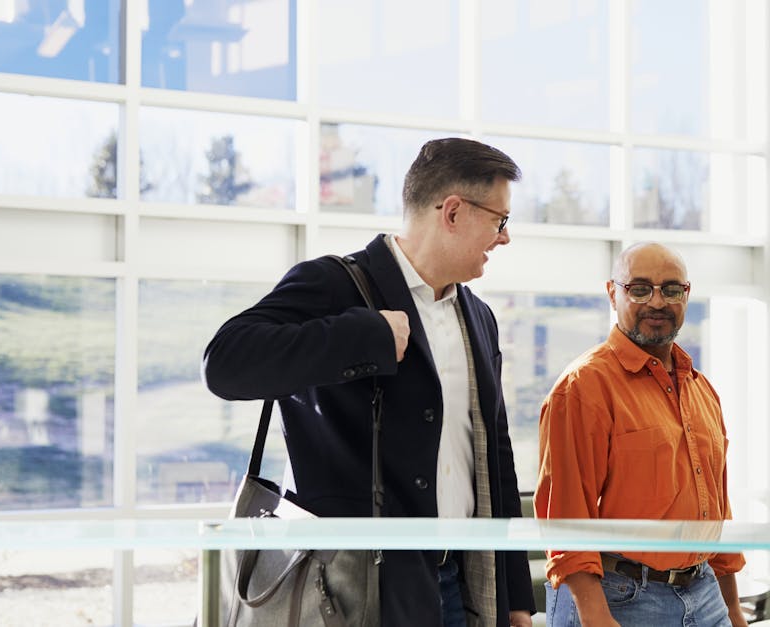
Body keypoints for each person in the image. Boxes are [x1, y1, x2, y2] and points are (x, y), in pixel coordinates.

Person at [203, 138, 535, 627]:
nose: (504, 237)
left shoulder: (479, 317)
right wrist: (366, 335)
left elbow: (494, 456)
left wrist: (514, 598)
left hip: (458, 585)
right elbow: (225, 363)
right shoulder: (334, 285)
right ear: (454, 212)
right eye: (499, 220)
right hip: (355, 589)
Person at [534, 242, 748, 627]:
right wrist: (596, 616)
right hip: (618, 599)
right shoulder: (584, 386)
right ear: (612, 293)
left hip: (704, 594)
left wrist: (732, 609)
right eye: (639, 289)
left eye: (670, 289)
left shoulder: (702, 390)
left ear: (686, 295)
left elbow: (716, 511)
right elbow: (565, 515)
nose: (657, 302)